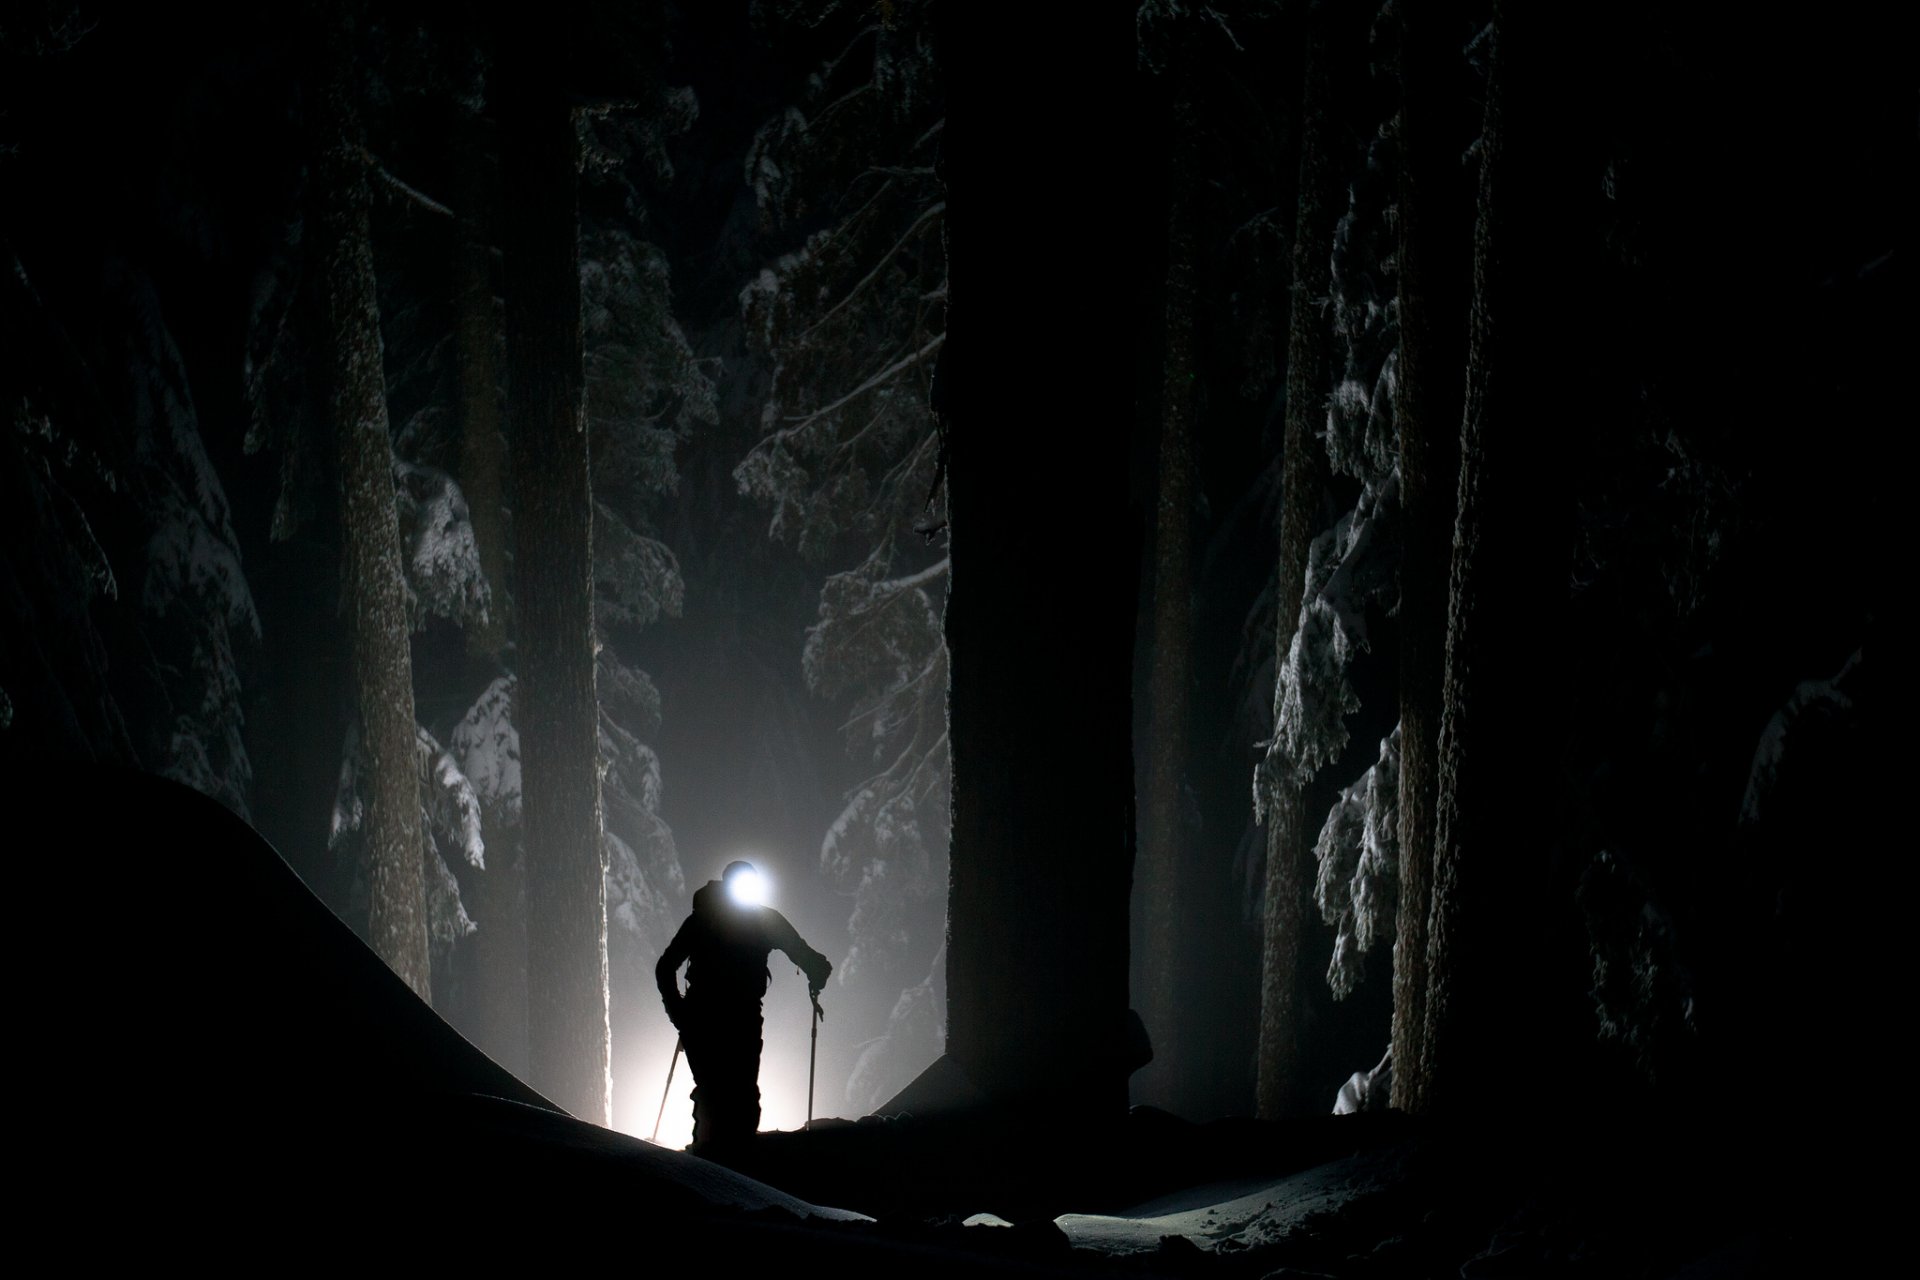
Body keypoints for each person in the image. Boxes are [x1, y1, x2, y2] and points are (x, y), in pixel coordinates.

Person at [656, 860, 832, 1150]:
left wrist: (679, 1014)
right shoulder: (749, 920)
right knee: (732, 1097)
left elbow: (665, 968)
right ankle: (726, 1169)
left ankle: (714, 1169)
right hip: (725, 1020)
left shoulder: (707, 920)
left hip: (712, 1019)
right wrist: (817, 970)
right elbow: (802, 952)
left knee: (727, 1097)